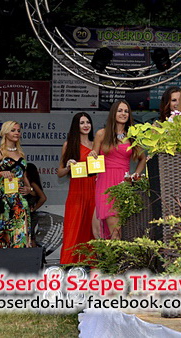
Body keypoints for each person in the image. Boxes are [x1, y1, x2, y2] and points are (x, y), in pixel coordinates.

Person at [91, 100, 147, 240]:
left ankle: (120, 253)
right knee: (113, 227)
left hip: (124, 183)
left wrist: (135, 175)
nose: (123, 114)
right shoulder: (101, 134)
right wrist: (91, 155)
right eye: (120, 110)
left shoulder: (132, 136)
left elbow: (143, 159)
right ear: (113, 113)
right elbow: (93, 159)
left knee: (124, 228)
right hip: (105, 182)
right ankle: (116, 253)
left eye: (126, 111)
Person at [0, 121, 33, 249]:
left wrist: (29, 188)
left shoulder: (21, 154)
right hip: (3, 201)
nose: (17, 133)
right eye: (13, 130)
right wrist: (0, 174)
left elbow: (24, 176)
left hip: (19, 201)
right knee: (0, 238)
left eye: (18, 130)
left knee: (20, 238)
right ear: (5, 132)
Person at [58, 112, 97, 263]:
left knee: (92, 228)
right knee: (73, 227)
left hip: (94, 189)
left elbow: (102, 169)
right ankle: (69, 263)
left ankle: (91, 262)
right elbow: (60, 172)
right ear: (76, 126)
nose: (86, 125)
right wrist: (68, 167)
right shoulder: (69, 145)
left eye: (88, 122)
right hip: (77, 191)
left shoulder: (96, 145)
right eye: (82, 123)